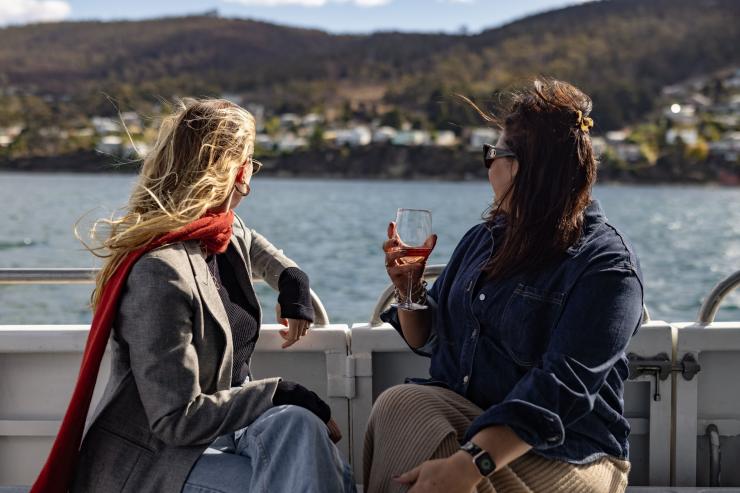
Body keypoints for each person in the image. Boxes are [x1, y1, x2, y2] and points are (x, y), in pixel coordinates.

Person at [30, 99, 355, 493]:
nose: (253, 172)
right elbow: (176, 420)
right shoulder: (161, 271)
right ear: (238, 173)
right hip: (161, 458)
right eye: (251, 160)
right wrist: (278, 391)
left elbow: (257, 248)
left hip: (228, 432)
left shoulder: (221, 232)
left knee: (300, 426)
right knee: (317, 470)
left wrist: (293, 281)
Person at [366, 79, 643, 493]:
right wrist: (408, 289)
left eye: (492, 154)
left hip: (569, 452)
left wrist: (469, 463)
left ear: (522, 168)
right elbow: (427, 337)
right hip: (476, 421)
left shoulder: (606, 266)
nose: (488, 165)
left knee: (436, 455)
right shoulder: (484, 239)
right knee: (400, 405)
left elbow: (561, 390)